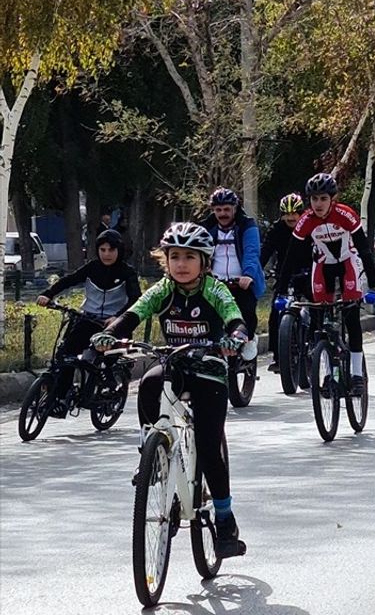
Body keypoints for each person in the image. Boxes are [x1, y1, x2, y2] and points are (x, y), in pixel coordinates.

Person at [91, 222, 249, 558]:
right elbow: (133, 313)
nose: (180, 264)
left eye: (189, 257)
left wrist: (235, 336)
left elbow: (235, 318)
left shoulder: (215, 290)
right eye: (174, 256)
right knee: (148, 382)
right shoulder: (163, 289)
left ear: (204, 262)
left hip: (209, 370)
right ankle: (151, 452)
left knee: (208, 446)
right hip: (174, 365)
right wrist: (111, 333)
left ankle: (224, 520)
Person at [275, 173, 375, 395]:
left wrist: (374, 286)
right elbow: (290, 257)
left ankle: (357, 375)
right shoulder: (306, 220)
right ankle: (330, 374)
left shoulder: (346, 215)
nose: (318, 204)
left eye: (323, 198)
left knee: (351, 317)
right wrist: (281, 291)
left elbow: (364, 250)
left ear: (333, 198)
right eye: (314, 199)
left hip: (348, 263)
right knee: (321, 322)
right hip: (323, 266)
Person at [36, 229, 141, 404]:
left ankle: (108, 387)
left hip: (114, 326)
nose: (106, 254)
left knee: (103, 359)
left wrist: (117, 317)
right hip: (88, 320)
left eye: (111, 250)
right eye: (102, 250)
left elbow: (135, 299)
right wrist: (48, 294)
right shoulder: (92, 267)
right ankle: (59, 399)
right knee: (66, 356)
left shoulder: (127, 272)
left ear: (119, 251)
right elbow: (69, 280)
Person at [200, 188, 266, 363]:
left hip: (242, 281)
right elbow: (200, 253)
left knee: (246, 312)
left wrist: (248, 275)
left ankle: (250, 339)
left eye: (227, 209)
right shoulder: (206, 227)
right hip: (215, 282)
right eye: (218, 210)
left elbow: (252, 251)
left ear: (235, 209)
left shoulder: (247, 224)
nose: (223, 214)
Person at [261, 193, 307, 372]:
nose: (290, 217)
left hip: (307, 273)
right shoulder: (277, 229)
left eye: (294, 213)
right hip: (283, 275)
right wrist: (256, 271)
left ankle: (315, 346)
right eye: (286, 214)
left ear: (301, 213)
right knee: (275, 313)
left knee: (314, 310)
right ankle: (278, 357)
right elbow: (265, 251)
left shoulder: (308, 226)